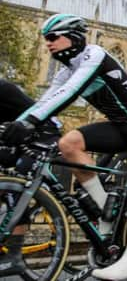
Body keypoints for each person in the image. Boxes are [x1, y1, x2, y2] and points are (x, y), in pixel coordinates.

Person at [0, 14, 127, 280]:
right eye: (46, 39)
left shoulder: (94, 55)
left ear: (73, 37)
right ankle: (106, 213)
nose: (48, 44)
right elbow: (47, 102)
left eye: (53, 38)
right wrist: (18, 126)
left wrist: (28, 122)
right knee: (68, 143)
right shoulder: (66, 70)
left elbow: (69, 92)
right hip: (120, 125)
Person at [0, 79, 61, 276]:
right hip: (16, 139)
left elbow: (41, 115)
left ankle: (15, 256)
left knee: (16, 186)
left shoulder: (3, 89)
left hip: (42, 136)